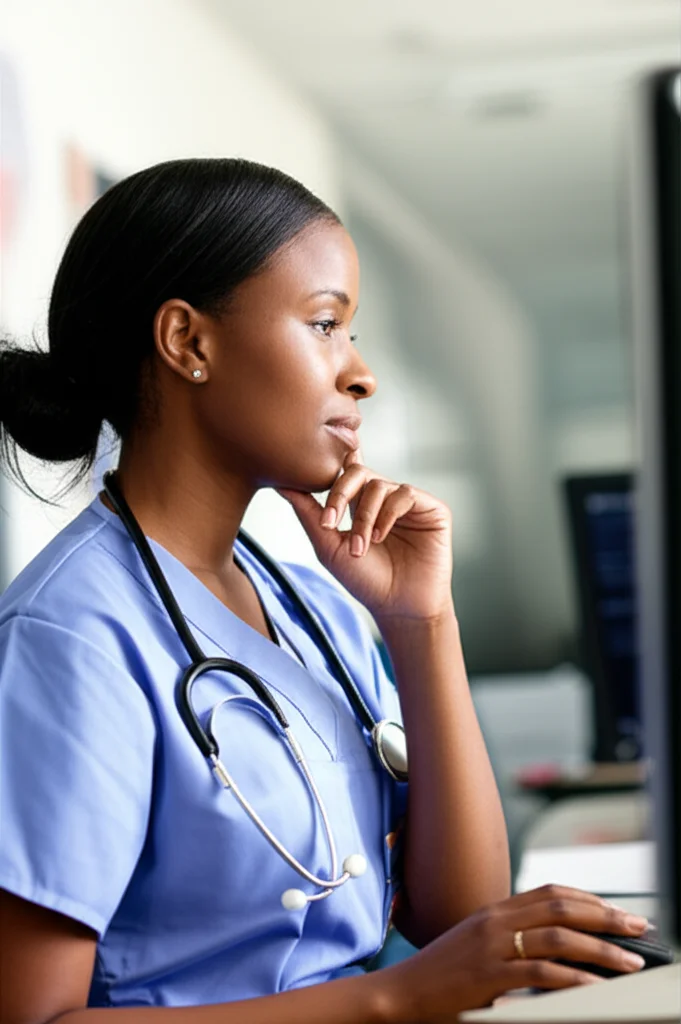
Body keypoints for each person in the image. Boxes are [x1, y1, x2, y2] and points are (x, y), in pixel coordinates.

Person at [0, 158, 650, 1023]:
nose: (360, 374)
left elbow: (459, 917)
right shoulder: (69, 637)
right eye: (324, 324)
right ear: (188, 342)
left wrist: (420, 621)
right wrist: (391, 996)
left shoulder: (317, 606)